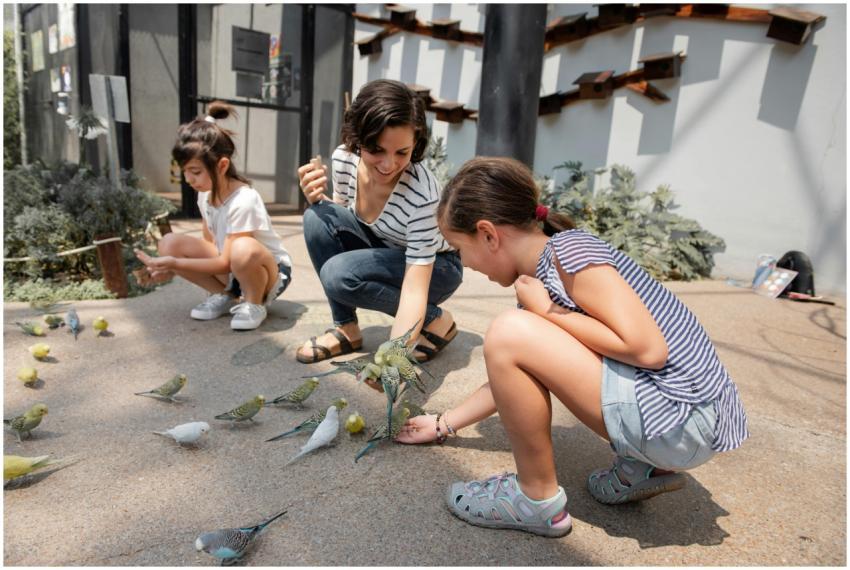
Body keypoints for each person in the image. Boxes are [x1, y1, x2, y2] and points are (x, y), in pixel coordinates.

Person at [396, 157, 749, 537]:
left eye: (457, 247)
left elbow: (648, 350)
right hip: (682, 420)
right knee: (513, 334)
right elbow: (512, 382)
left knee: (508, 331)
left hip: (681, 422)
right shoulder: (546, 271)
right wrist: (444, 424)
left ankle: (534, 498)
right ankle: (642, 467)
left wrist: (548, 311)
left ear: (488, 234)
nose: (462, 260)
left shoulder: (570, 253)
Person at [295, 79, 463, 364]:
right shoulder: (344, 159)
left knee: (339, 275)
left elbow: (414, 288)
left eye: (402, 152)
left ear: (416, 144)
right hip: (385, 248)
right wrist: (314, 198)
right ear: (358, 138)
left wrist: (394, 358)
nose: (388, 165)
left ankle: (437, 320)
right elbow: (339, 225)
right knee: (317, 217)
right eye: (376, 149)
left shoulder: (423, 194)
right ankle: (346, 330)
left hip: (437, 269)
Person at [135, 102, 292, 331]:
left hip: (266, 271)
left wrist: (176, 264)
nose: (189, 180)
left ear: (222, 165)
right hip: (231, 264)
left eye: (195, 172)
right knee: (169, 243)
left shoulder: (244, 199)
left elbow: (226, 261)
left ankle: (254, 302)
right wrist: (172, 267)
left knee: (242, 248)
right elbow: (210, 244)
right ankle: (224, 295)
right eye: (185, 172)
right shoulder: (205, 194)